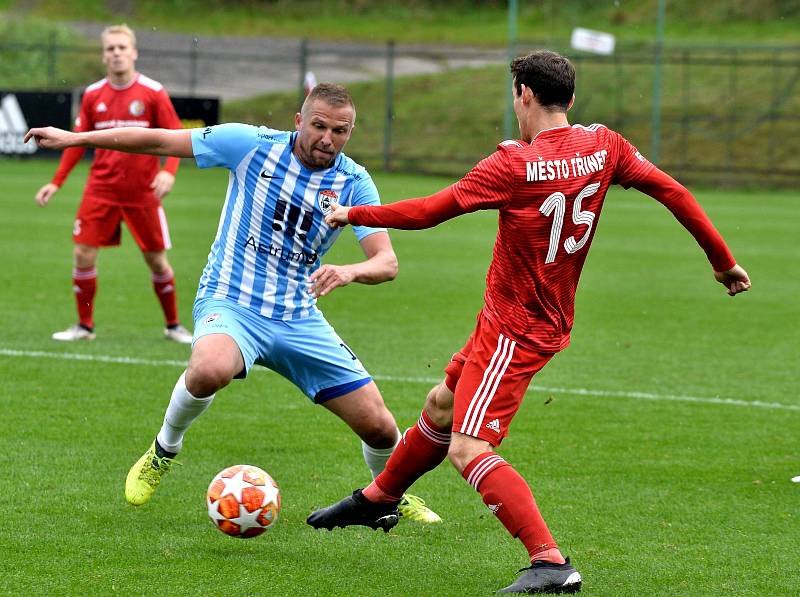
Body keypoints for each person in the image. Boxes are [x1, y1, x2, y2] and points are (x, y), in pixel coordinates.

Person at [305, 50, 752, 594]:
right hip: (531, 316)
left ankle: (551, 561)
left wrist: (353, 213)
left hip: (516, 329)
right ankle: (378, 499)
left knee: (468, 450)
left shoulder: (513, 164)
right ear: (570, 97)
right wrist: (722, 261)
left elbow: (429, 211)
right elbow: (673, 192)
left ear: (522, 94)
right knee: (439, 405)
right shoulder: (604, 145)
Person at [25, 83, 440, 525]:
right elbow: (159, 139)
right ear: (298, 121)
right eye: (319, 126)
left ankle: (388, 494)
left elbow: (387, 261)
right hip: (232, 300)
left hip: (298, 315)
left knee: (379, 425)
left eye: (340, 131)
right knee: (208, 370)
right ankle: (164, 449)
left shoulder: (353, 182)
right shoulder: (250, 145)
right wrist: (76, 138)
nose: (328, 139)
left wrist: (349, 271)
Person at [32, 24, 192, 343]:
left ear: (134, 52)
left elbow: (176, 136)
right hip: (101, 189)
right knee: (83, 254)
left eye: (122, 47)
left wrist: (168, 172)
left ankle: (173, 325)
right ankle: (84, 326)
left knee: (156, 260)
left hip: (142, 191)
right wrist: (56, 182)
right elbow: (75, 142)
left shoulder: (152, 92)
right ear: (103, 55)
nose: (116, 53)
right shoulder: (93, 95)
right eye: (110, 49)